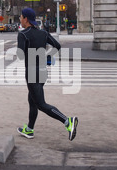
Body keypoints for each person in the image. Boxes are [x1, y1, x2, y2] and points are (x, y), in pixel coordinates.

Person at [17, 7, 78, 141]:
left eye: (21, 17)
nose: (20, 20)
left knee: (40, 104)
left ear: (26, 19)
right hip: (43, 71)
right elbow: (57, 46)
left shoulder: (23, 34)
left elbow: (20, 56)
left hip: (32, 72)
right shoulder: (43, 33)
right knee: (32, 100)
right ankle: (29, 129)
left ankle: (68, 121)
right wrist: (47, 56)